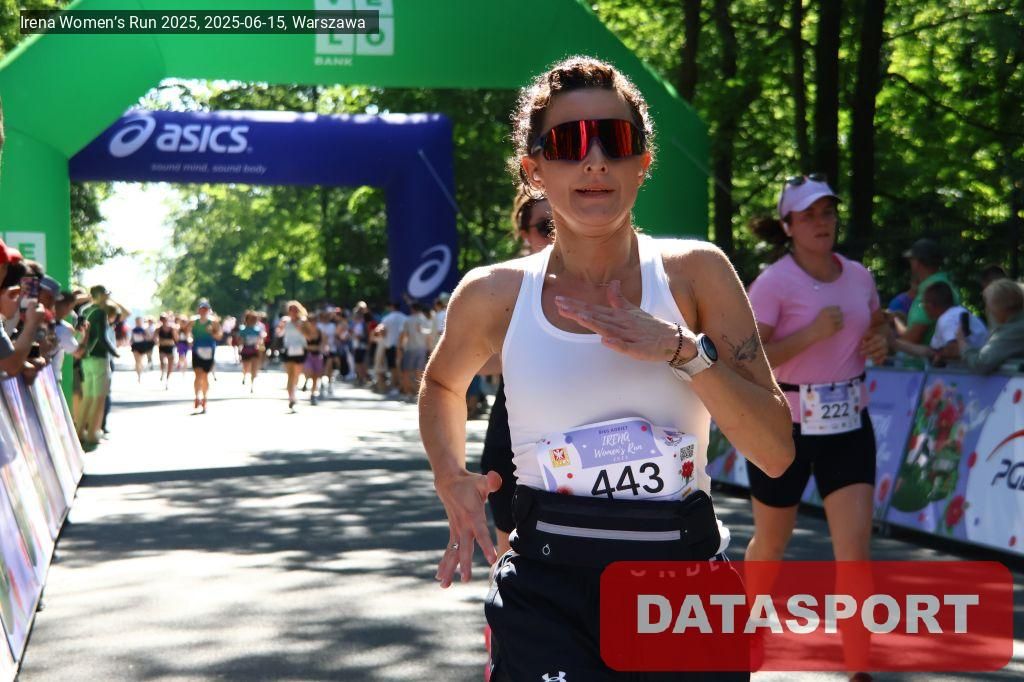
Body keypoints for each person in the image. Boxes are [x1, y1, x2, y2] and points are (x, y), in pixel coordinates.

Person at [420, 56, 793, 681]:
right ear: (535, 170)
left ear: (642, 162)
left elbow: (776, 453)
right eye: (569, 143)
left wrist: (682, 351)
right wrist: (448, 473)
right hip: (548, 592)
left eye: (614, 140)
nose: (594, 160)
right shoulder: (493, 294)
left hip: (681, 587)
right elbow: (440, 383)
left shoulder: (697, 274)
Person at [480, 192, 555, 556]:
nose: (557, 234)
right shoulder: (505, 287)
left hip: (594, 443)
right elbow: (476, 364)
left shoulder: (617, 279)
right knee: (511, 557)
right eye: (546, 226)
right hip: (515, 440)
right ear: (524, 233)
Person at [892, 281, 986, 363]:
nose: (923, 308)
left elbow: (955, 350)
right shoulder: (958, 313)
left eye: (923, 304)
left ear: (930, 305)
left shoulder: (947, 319)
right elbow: (931, 351)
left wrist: (939, 355)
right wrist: (895, 344)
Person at [898, 238, 959, 345]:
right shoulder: (946, 284)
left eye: (911, 259)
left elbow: (912, 338)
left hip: (929, 355)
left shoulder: (931, 291)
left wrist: (888, 341)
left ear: (917, 262)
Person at [960, 278, 1024, 373]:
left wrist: (962, 344)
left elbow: (981, 363)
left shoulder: (1012, 331)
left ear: (1002, 308)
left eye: (988, 305)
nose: (987, 310)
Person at [187, 299, 222, 413]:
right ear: (198, 310)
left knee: (205, 376)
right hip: (196, 350)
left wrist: (212, 332)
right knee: (197, 374)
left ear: (209, 310)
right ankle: (197, 397)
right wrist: (189, 339)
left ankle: (205, 399)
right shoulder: (193, 321)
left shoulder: (213, 322)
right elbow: (188, 332)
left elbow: (219, 336)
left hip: (209, 351)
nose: (203, 311)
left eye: (205, 309)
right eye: (201, 309)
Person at [278, 301, 313, 411]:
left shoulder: (304, 321)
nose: (293, 312)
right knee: (290, 375)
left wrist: (301, 329)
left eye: (295, 309)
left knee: (296, 375)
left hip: (301, 350)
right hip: (288, 350)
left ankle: (293, 392)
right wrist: (281, 327)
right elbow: (279, 334)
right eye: (291, 309)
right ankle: (291, 398)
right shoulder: (285, 321)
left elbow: (309, 337)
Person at [398, 301, 432, 400]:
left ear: (412, 309)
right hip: (422, 349)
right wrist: (429, 349)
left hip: (410, 348)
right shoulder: (425, 319)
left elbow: (404, 335)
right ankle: (419, 395)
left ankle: (408, 393)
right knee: (419, 372)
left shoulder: (408, 320)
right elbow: (429, 336)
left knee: (406, 371)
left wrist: (400, 347)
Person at [376, 301, 407, 396]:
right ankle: (402, 387)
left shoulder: (386, 319)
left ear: (392, 307)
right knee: (401, 368)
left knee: (393, 368)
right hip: (402, 346)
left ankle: (396, 387)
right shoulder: (405, 318)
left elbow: (382, 332)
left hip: (391, 346)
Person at [238, 311, 264, 392]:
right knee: (245, 367)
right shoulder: (243, 329)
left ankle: (252, 385)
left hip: (255, 350)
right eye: (251, 318)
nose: (253, 320)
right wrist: (240, 348)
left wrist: (260, 346)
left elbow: (260, 341)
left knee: (254, 368)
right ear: (247, 319)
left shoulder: (258, 330)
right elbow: (240, 341)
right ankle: (244, 375)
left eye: (254, 319)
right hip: (246, 350)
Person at [155, 314, 177, 387]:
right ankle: (162, 372)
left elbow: (176, 338)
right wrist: (158, 341)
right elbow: (154, 337)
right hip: (162, 347)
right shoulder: (158, 329)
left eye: (165, 319)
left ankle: (167, 379)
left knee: (170, 364)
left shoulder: (172, 328)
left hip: (170, 347)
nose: (164, 321)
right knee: (162, 362)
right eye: (162, 319)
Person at [130, 316, 148, 382]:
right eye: (137, 321)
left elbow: (147, 338)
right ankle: (139, 376)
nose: (138, 322)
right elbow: (131, 339)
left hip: (142, 346)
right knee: (137, 361)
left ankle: (140, 372)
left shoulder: (144, 329)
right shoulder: (133, 330)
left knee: (140, 361)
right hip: (135, 346)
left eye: (140, 321)